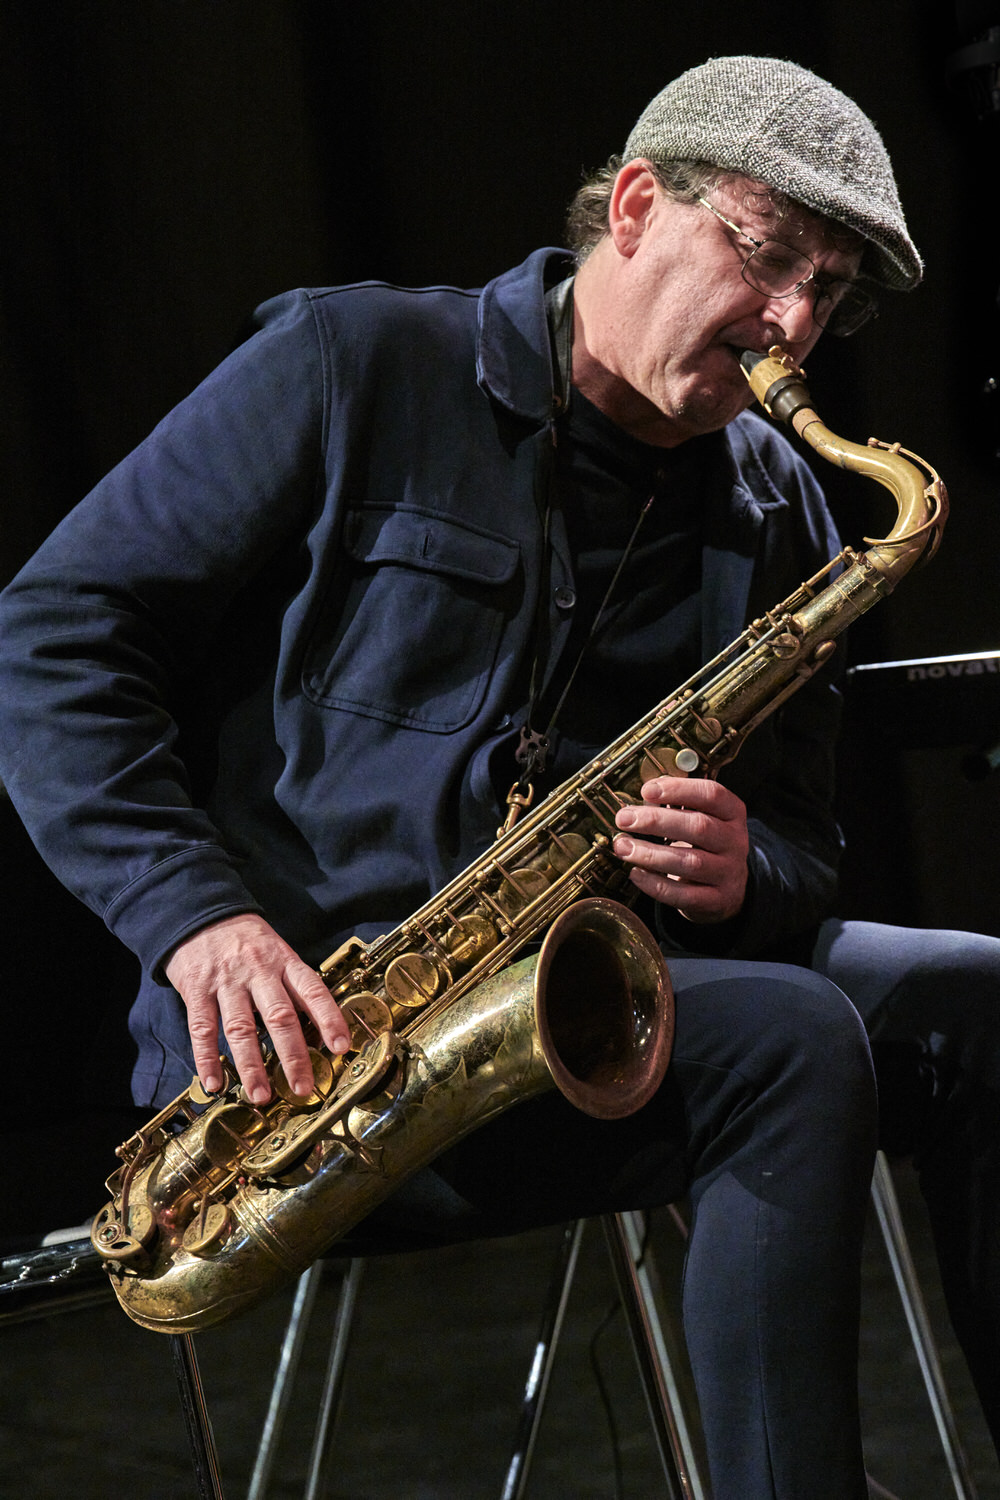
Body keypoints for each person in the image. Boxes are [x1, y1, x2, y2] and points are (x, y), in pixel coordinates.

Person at [0, 53, 997, 1498]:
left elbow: (802, 844)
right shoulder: (356, 363)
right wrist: (194, 918)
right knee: (790, 1039)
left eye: (828, 294)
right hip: (316, 1053)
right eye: (767, 258)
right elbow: (54, 632)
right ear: (638, 206)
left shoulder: (779, 497)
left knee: (976, 996)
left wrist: (746, 869)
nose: (794, 325)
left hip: (615, 1001)